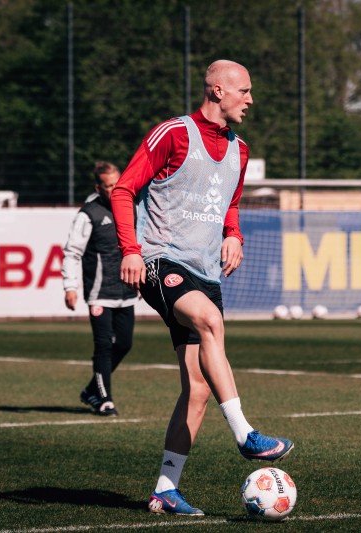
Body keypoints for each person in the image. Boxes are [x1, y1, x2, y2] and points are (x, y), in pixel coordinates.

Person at [110, 59, 294, 516]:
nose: (250, 100)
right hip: (160, 260)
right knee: (209, 321)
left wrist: (235, 235)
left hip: (206, 273)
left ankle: (165, 490)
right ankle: (246, 435)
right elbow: (123, 190)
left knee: (197, 389)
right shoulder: (173, 134)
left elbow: (230, 203)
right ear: (217, 91)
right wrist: (130, 250)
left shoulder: (240, 150)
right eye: (244, 91)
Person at [61, 161, 139, 417]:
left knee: (124, 344)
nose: (114, 189)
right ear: (98, 187)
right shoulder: (88, 214)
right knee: (104, 345)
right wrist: (70, 286)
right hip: (99, 293)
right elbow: (72, 253)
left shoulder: (132, 207)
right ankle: (104, 399)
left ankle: (91, 390)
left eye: (117, 183)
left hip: (126, 291)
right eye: (108, 186)